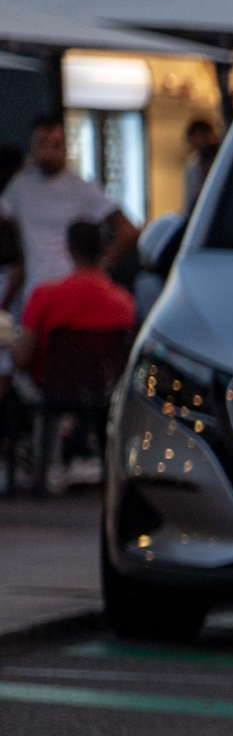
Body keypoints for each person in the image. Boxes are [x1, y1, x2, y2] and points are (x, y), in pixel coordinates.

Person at [12, 219, 134, 491]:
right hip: (101, 389)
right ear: (104, 249)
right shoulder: (123, 301)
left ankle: (40, 466)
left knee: (19, 380)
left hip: (50, 388)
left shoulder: (46, 295)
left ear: (69, 249)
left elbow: (22, 360)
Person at [2, 114, 133, 315]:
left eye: (56, 145)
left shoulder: (82, 187)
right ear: (31, 147)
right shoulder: (20, 187)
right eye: (42, 144)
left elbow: (127, 230)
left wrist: (100, 268)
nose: (49, 152)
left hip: (74, 294)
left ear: (65, 147)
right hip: (35, 294)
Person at [181, 118, 221, 212]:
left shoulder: (227, 156)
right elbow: (189, 202)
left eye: (203, 137)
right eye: (195, 141)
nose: (200, 142)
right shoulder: (191, 166)